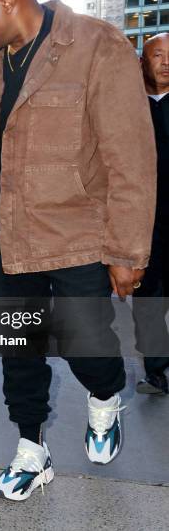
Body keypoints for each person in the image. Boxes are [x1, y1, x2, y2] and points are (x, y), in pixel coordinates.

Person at [0, 0, 157, 501]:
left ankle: (105, 400)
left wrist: (127, 249)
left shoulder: (96, 45)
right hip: (6, 239)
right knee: (20, 352)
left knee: (90, 346)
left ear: (6, 0)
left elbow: (130, 156)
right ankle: (30, 451)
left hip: (77, 236)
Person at [133, 33, 169, 395]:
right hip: (143, 226)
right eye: (157, 55)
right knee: (148, 302)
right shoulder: (128, 108)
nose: (166, 62)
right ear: (142, 61)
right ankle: (155, 371)